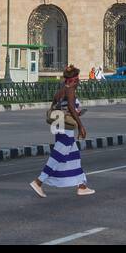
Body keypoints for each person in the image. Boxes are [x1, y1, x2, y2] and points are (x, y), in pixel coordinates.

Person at [31, 65, 93, 197]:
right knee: (57, 156)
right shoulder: (70, 90)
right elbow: (70, 107)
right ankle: (39, 181)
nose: (79, 82)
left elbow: (56, 107)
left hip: (59, 126)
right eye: (78, 80)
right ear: (73, 80)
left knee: (74, 157)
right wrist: (81, 125)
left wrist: (73, 112)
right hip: (66, 128)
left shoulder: (60, 92)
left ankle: (81, 185)